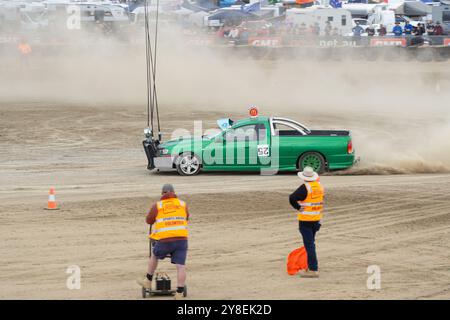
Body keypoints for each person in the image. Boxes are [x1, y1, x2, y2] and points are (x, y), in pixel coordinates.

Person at [138, 184, 189, 299]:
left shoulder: (158, 205)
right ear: (174, 193)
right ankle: (180, 292)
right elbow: (186, 218)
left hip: (165, 239)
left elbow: (149, 220)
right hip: (181, 240)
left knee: (155, 255)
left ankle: (148, 279)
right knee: (180, 266)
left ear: (162, 193)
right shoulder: (182, 204)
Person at [289, 167, 324, 278]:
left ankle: (313, 269)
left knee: (309, 245)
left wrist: (298, 207)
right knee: (311, 244)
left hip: (305, 220)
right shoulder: (319, 186)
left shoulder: (305, 187)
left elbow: (292, 198)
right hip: (316, 219)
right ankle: (310, 266)